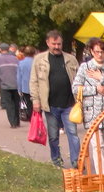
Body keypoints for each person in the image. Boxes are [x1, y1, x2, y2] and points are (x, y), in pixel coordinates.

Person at [30, 31, 80, 168]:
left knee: (73, 134)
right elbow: (34, 81)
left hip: (69, 104)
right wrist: (35, 100)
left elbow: (79, 80)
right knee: (53, 135)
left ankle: (76, 161)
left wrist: (80, 99)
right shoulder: (39, 59)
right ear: (48, 43)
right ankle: (56, 159)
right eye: (54, 44)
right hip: (50, 105)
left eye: (59, 44)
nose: (57, 47)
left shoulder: (71, 59)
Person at [72, 38, 104, 174]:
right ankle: (102, 174)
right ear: (92, 52)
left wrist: (102, 78)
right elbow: (76, 88)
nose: (100, 55)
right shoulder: (85, 67)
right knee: (97, 145)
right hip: (91, 113)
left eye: (102, 52)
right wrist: (95, 89)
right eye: (97, 52)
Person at [0, 44, 21, 128]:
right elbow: (19, 71)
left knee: (9, 104)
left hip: (4, 85)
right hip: (16, 84)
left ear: (0, 50)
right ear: (8, 49)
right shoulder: (15, 58)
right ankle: (17, 121)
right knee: (16, 103)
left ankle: (12, 123)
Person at [18, 47, 36, 119]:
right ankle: (37, 119)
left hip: (25, 88)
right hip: (36, 88)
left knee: (29, 105)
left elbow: (19, 77)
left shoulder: (21, 63)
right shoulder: (36, 62)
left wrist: (19, 89)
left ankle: (32, 121)